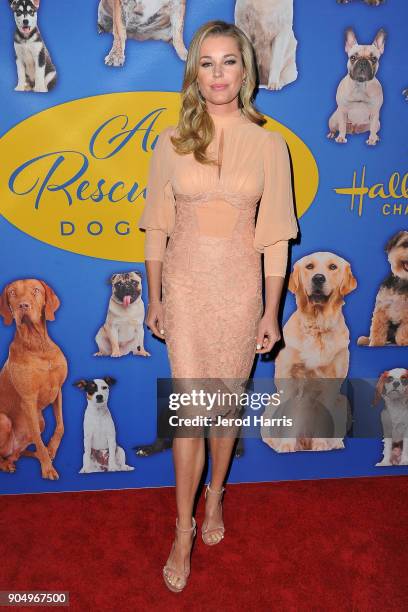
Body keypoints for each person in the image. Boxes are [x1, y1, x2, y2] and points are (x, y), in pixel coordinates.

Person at [137, 20, 299, 593]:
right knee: (190, 411)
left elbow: (276, 237)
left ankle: (216, 496)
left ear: (245, 70)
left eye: (229, 61)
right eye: (206, 63)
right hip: (184, 290)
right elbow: (156, 227)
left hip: (239, 292)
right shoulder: (171, 141)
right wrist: (153, 297)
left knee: (225, 407)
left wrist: (271, 312)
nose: (218, 74)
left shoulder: (270, 143)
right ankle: (182, 529)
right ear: (194, 73)